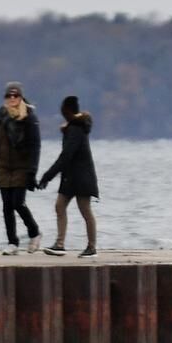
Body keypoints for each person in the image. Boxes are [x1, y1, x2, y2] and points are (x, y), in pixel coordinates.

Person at [38, 95, 99, 257]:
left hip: (82, 178)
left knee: (85, 210)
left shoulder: (76, 129)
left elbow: (66, 156)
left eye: (63, 111)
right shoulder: (73, 127)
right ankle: (59, 244)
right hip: (71, 177)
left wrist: (47, 176)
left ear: (67, 111)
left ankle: (92, 248)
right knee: (60, 206)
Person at [0, 81, 42, 255]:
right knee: (6, 206)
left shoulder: (29, 117)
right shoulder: (0, 115)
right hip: (3, 166)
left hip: (22, 166)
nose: (12, 99)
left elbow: (35, 146)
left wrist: (32, 171)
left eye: (15, 95)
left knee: (18, 202)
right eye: (9, 96)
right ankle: (13, 242)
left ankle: (34, 232)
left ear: (21, 97)